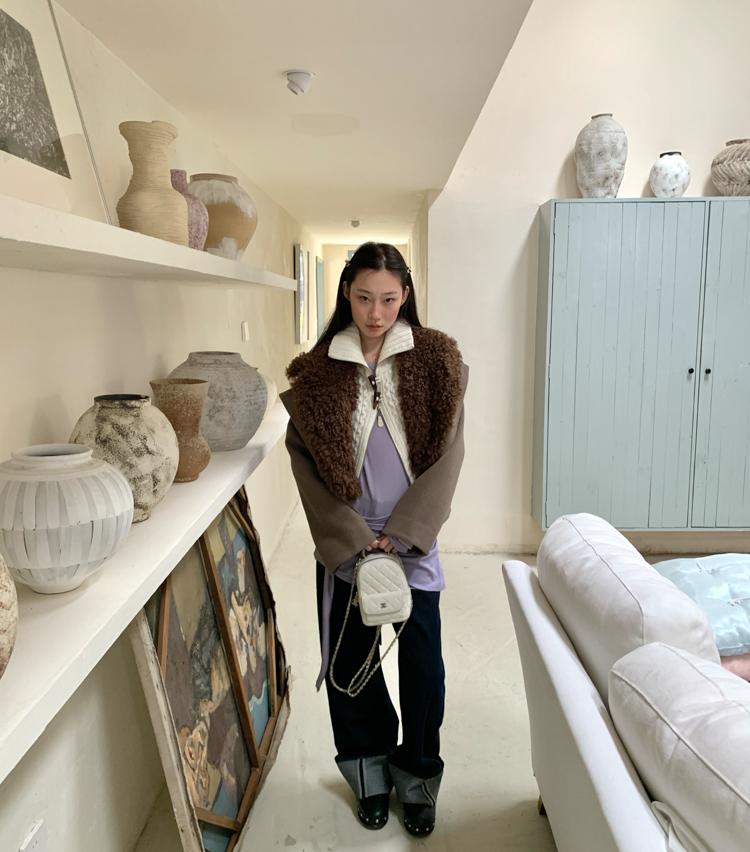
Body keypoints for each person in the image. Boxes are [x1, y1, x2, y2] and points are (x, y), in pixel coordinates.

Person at [280, 241, 467, 837]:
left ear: (405, 295)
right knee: (352, 666)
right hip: (347, 543)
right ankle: (370, 778)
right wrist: (354, 541)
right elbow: (306, 464)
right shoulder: (317, 373)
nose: (376, 312)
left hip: (413, 540)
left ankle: (419, 778)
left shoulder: (437, 361)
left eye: (388, 299)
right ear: (347, 294)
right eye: (364, 298)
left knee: (424, 670)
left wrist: (406, 535)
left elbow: (449, 455)